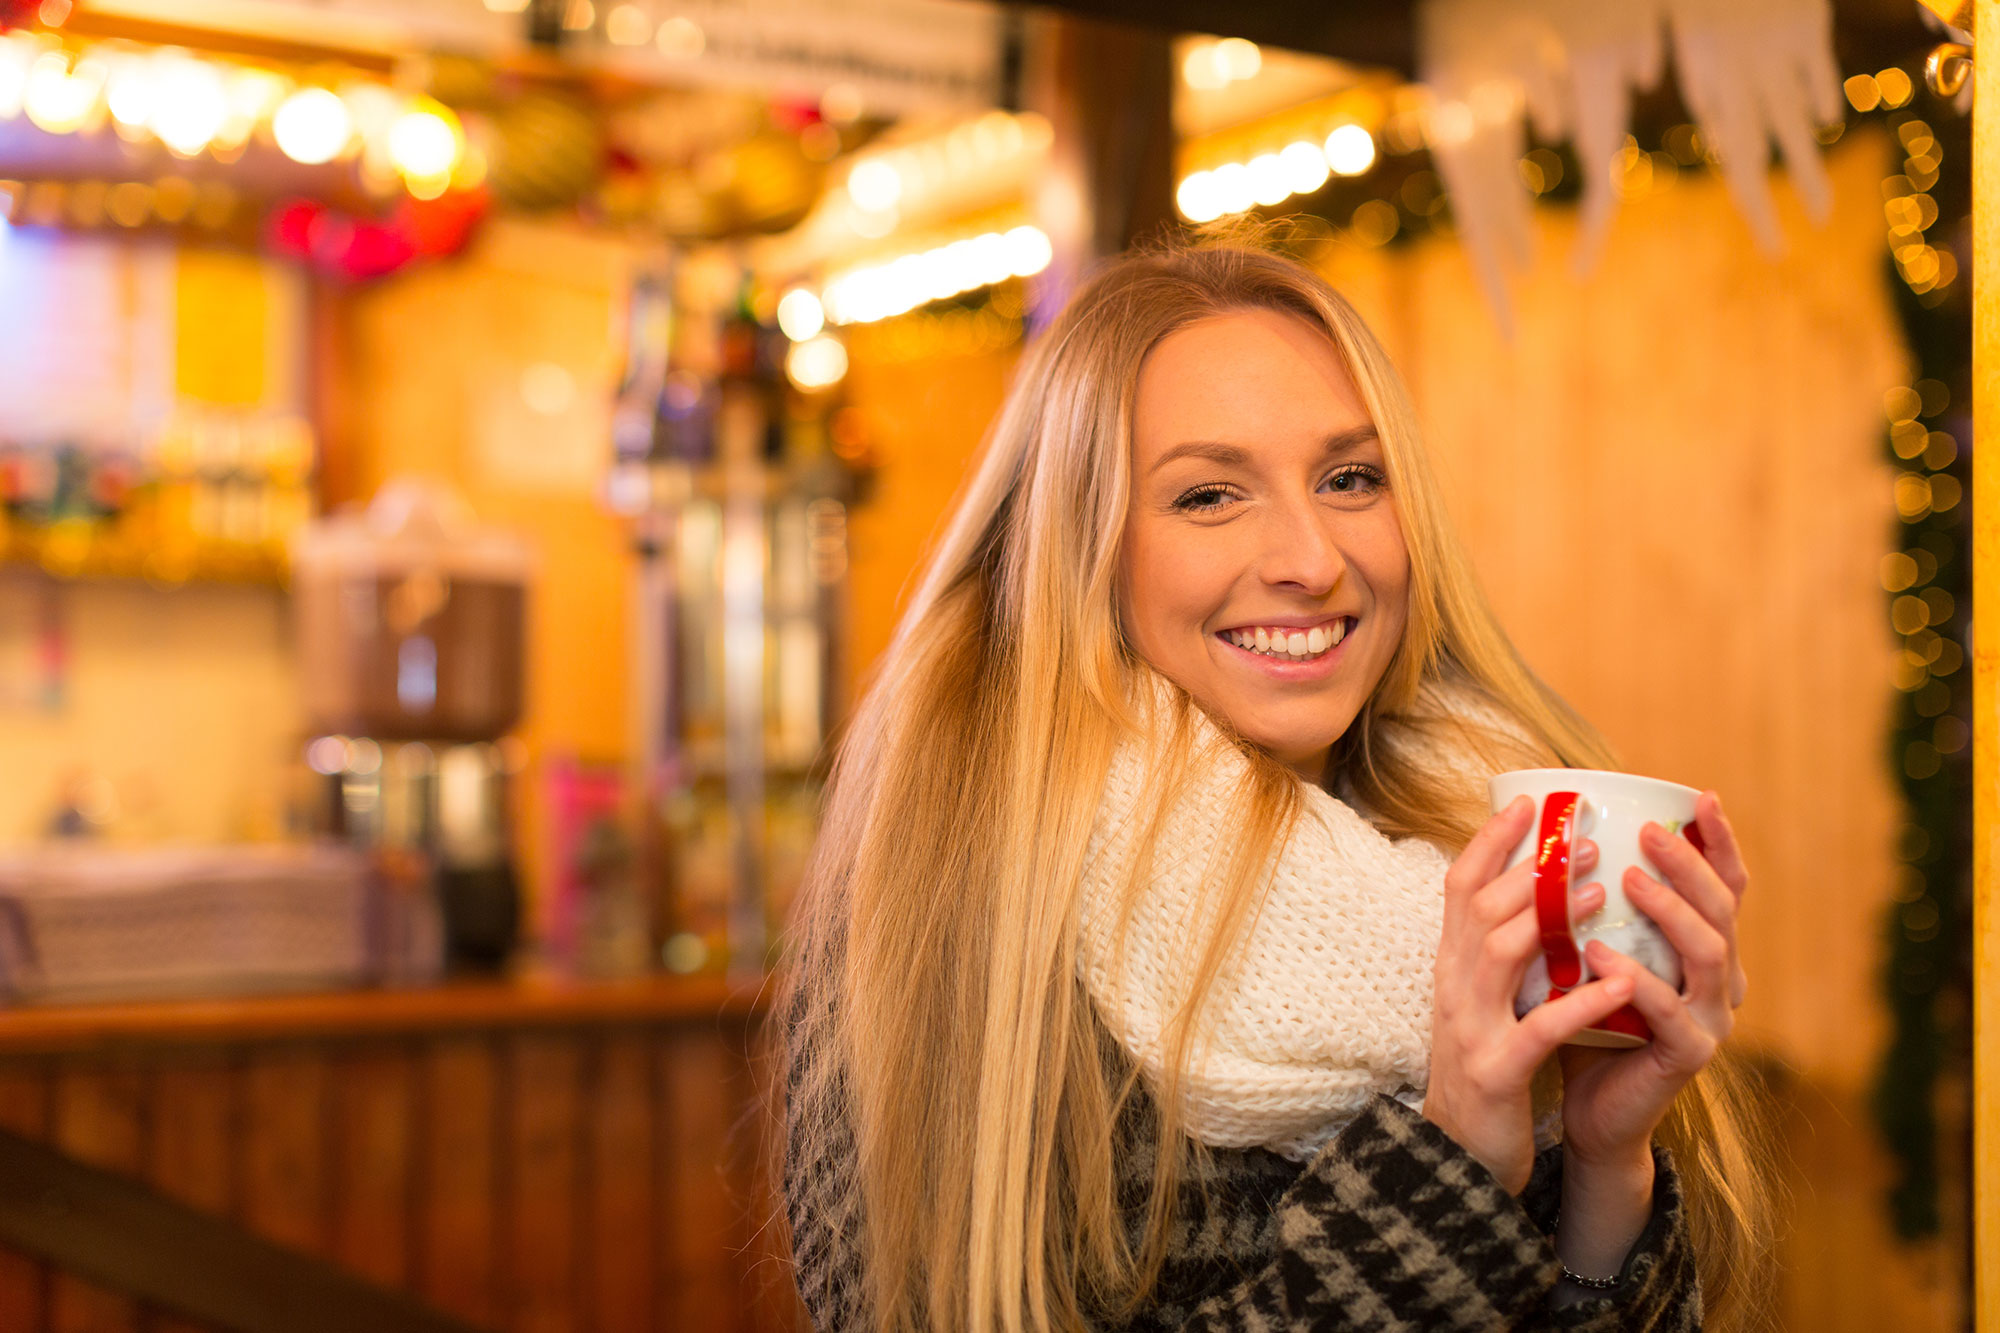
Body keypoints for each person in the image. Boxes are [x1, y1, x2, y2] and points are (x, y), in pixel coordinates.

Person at [775, 235, 1781, 1332]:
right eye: (1210, 495)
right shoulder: (951, 892)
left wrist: (1602, 1167)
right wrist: (1449, 1164)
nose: (1312, 559)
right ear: (1079, 551)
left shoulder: (1483, 814)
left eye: (1350, 479)